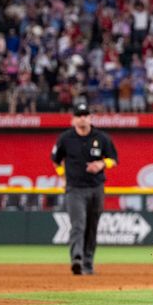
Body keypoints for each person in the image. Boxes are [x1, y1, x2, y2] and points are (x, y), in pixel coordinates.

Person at [51, 103, 118, 275]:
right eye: (79, 115)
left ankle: (88, 263)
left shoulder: (101, 137)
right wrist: (62, 175)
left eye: (85, 115)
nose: (82, 118)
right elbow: (56, 159)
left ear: (90, 118)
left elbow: (113, 159)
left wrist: (101, 163)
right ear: (73, 119)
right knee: (78, 224)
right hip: (75, 189)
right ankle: (77, 259)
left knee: (92, 226)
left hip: (96, 187)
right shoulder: (65, 138)